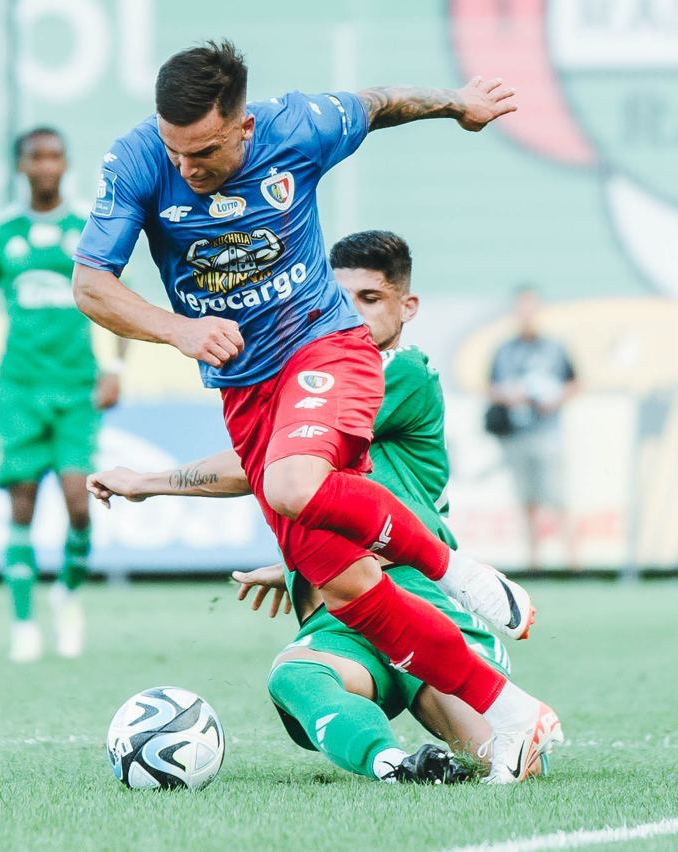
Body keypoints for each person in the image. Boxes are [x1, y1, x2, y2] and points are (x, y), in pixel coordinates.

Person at [72, 40, 554, 783]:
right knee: (349, 591)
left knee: (293, 483)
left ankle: (455, 571)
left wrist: (458, 104)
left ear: (243, 127)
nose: (186, 169)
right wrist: (178, 329)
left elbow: (380, 103)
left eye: (203, 152)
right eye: (176, 151)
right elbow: (91, 285)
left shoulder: (298, 126)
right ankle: (514, 711)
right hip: (246, 389)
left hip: (324, 347)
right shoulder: (138, 159)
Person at [0, 127, 125, 662]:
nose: (45, 166)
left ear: (66, 163)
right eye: (35, 157)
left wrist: (114, 368)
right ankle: (22, 624)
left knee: (80, 502)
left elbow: (117, 299)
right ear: (20, 165)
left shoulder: (86, 229)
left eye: (55, 156)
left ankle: (68, 595)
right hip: (19, 388)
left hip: (77, 387)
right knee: (22, 500)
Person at [489, 286, 579, 571]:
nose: (526, 314)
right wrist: (511, 395)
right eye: (521, 308)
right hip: (517, 434)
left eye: (530, 308)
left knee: (558, 497)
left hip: (548, 432)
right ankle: (533, 562)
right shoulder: (504, 350)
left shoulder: (555, 348)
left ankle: (572, 562)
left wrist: (553, 399)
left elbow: (574, 382)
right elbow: (491, 387)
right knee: (527, 500)